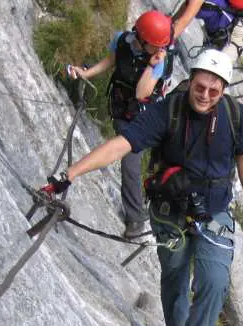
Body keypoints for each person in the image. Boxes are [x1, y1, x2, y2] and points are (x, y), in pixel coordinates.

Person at [43, 49, 243, 326]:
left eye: (213, 91)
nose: (204, 96)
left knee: (215, 280)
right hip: (169, 209)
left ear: (223, 91)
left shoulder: (235, 116)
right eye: (199, 88)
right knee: (175, 273)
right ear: (191, 82)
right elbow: (122, 144)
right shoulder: (168, 111)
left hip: (215, 210)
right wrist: (69, 174)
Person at [68, 10, 173, 239]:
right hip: (120, 108)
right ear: (143, 39)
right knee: (128, 160)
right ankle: (138, 212)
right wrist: (86, 73)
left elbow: (142, 92)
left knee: (130, 163)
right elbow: (109, 62)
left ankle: (136, 218)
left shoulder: (158, 62)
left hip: (142, 117)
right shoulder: (122, 40)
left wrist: (150, 65)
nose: (160, 50)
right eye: (157, 46)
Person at [172, 0, 243, 65]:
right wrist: (171, 22)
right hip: (229, 24)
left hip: (234, 37)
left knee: (212, 71)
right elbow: (185, 9)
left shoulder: (204, 3)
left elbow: (183, 20)